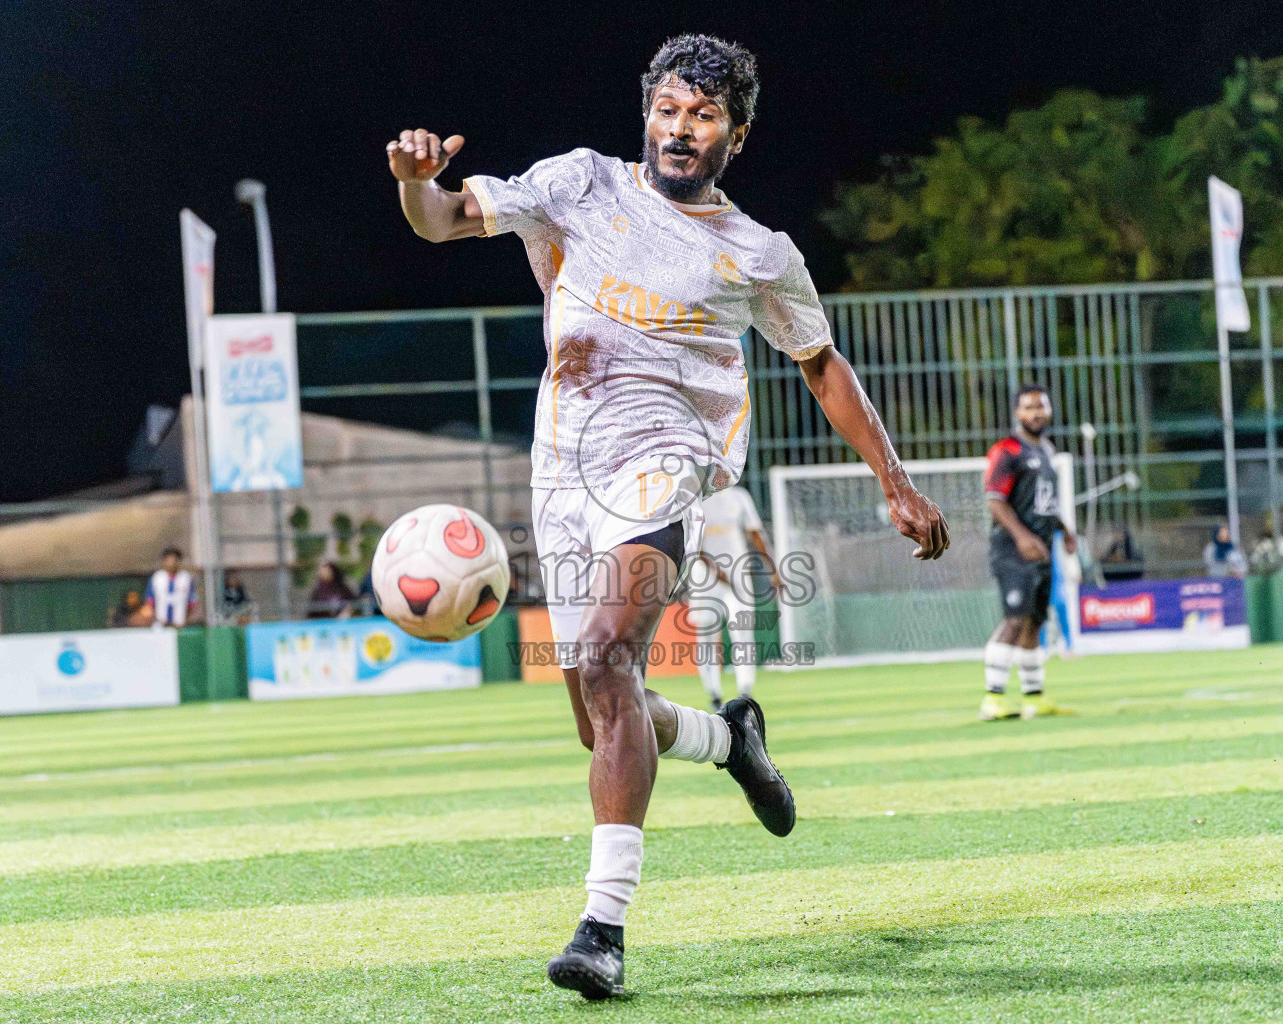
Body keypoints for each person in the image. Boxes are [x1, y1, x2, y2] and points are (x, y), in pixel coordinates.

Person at [387, 34, 950, 999]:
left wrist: (893, 479)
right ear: (645, 110)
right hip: (563, 468)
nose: (681, 131)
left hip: (666, 463)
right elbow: (441, 221)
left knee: (610, 659)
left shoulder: (759, 253)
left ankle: (602, 929)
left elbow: (820, 363)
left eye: (704, 116)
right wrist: (413, 180)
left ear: (738, 132)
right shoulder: (578, 185)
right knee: (599, 710)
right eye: (669, 110)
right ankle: (732, 741)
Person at [980, 385, 1077, 722]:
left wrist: (1064, 530)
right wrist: (1021, 537)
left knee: (1035, 621)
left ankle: (1034, 698)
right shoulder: (1007, 450)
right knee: (1014, 619)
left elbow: (1044, 501)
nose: (1036, 412)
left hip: (1042, 548)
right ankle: (992, 698)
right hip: (1012, 548)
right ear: (1016, 413)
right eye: (1028, 407)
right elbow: (995, 500)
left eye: (1041, 406)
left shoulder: (1047, 450)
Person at [692, 486, 779, 711]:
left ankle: (745, 690)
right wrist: (714, 569)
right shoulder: (695, 498)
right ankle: (714, 693)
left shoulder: (739, 496)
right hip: (704, 578)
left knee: (742, 632)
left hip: (737, 575)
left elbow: (756, 533)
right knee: (708, 636)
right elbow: (691, 543)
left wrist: (773, 568)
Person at [146, 547, 198, 627]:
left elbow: (192, 602)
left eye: (174, 561)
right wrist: (155, 617)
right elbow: (150, 601)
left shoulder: (186, 578)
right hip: (160, 625)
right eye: (168, 560)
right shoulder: (157, 578)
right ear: (163, 561)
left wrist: (186, 619)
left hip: (180, 625)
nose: (171, 564)